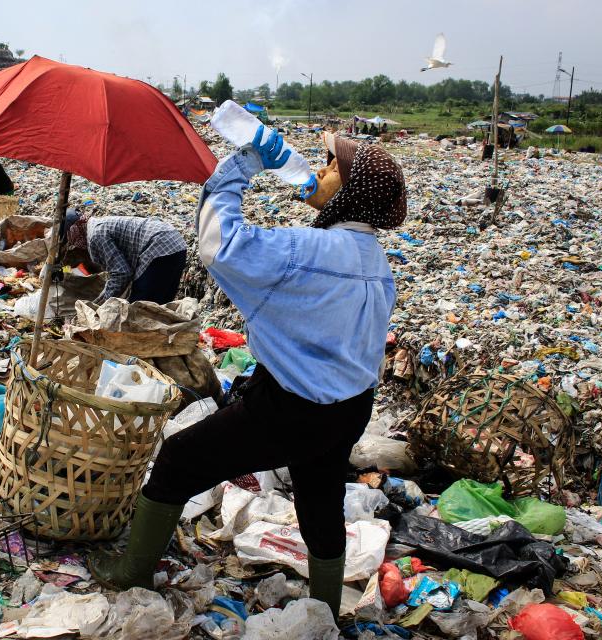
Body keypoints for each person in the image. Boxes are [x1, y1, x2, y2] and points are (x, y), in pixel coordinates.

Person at [88, 127, 407, 619]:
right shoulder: (375, 261)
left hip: (293, 405)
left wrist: (242, 165)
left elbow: (221, 246)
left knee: (177, 460)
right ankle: (323, 606)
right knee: (319, 498)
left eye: (331, 166)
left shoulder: (311, 250)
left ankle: (132, 572)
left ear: (352, 192)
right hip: (350, 407)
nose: (319, 170)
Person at [63, 213, 187, 305]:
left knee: (140, 308)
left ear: (75, 229)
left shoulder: (96, 235)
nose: (73, 243)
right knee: (161, 305)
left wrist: (100, 303)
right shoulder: (98, 225)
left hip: (159, 247)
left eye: (70, 238)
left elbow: (121, 273)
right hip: (176, 243)